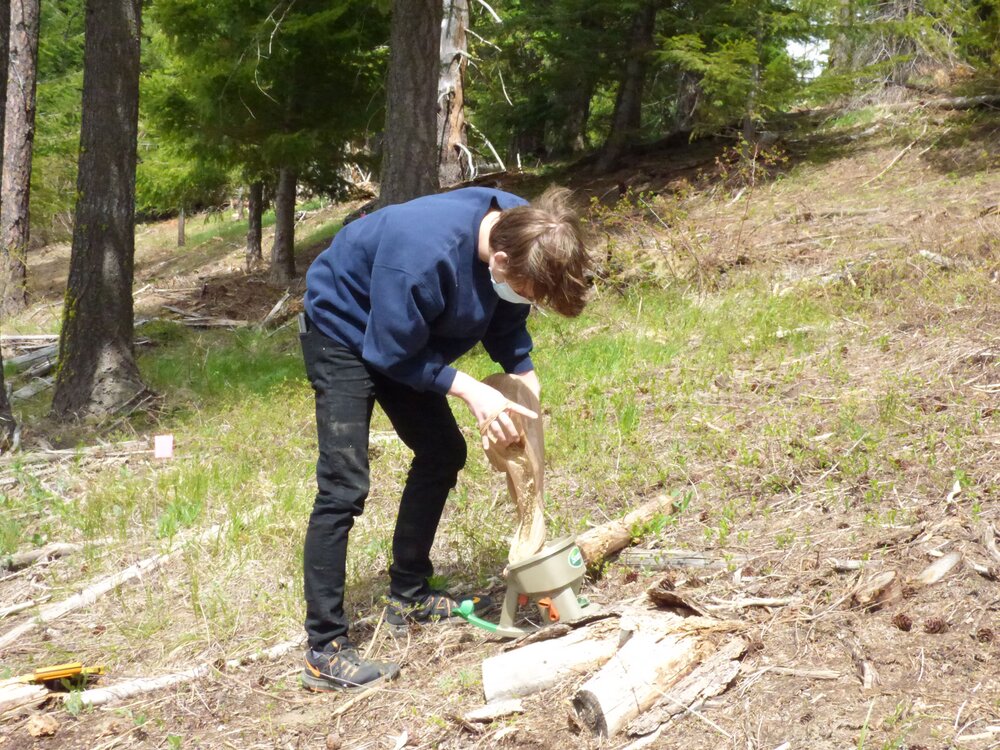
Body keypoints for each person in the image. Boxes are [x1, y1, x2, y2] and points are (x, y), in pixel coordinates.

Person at [298, 185, 591, 692]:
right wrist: (474, 392)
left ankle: (407, 594)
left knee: (441, 452)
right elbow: (390, 353)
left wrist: (524, 373)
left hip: (403, 333)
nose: (527, 300)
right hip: (345, 329)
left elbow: (507, 317)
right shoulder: (423, 253)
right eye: (526, 290)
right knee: (344, 485)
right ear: (497, 261)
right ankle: (324, 649)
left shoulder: (526, 230)